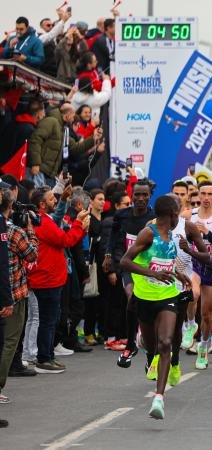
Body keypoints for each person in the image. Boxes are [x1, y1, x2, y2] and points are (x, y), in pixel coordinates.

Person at [120, 196, 192, 420]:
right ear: (171, 214)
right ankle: (145, 346)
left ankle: (159, 397)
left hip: (168, 295)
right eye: (176, 215)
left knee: (166, 343)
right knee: (151, 346)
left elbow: (165, 263)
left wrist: (177, 274)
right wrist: (152, 274)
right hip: (145, 297)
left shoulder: (171, 235)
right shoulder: (148, 233)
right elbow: (125, 261)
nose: (177, 219)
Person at [29, 186, 88, 373]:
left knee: (49, 320)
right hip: (47, 279)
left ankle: (47, 356)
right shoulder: (42, 222)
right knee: (47, 320)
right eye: (51, 199)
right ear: (42, 204)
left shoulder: (44, 219)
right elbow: (66, 240)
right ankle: (44, 359)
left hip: (50, 278)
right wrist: (78, 223)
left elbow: (61, 231)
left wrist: (63, 199)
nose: (55, 200)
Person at [182, 180, 212, 369]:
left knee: (208, 314)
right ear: (198, 195)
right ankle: (191, 323)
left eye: (210, 194)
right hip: (193, 264)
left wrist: (208, 233)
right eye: (203, 194)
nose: (206, 198)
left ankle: (203, 345)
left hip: (211, 266)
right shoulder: (188, 215)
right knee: (193, 295)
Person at [108, 181, 156, 368]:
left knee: (148, 308)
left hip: (148, 267)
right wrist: (108, 254)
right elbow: (113, 236)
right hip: (129, 265)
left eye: (145, 195)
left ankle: (148, 345)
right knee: (132, 297)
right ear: (132, 195)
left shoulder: (153, 218)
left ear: (150, 196)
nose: (141, 198)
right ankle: (131, 343)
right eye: (137, 195)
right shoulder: (121, 215)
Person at [0, 187, 38, 399]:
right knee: (9, 342)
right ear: (11, 206)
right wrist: (31, 229)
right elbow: (31, 254)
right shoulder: (14, 231)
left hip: (6, 291)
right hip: (13, 293)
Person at [28, 103, 101, 188]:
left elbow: (76, 148)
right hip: (39, 171)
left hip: (49, 174)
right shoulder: (51, 121)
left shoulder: (63, 129)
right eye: (73, 116)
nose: (74, 118)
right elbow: (35, 139)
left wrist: (93, 138)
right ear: (67, 115)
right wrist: (35, 163)